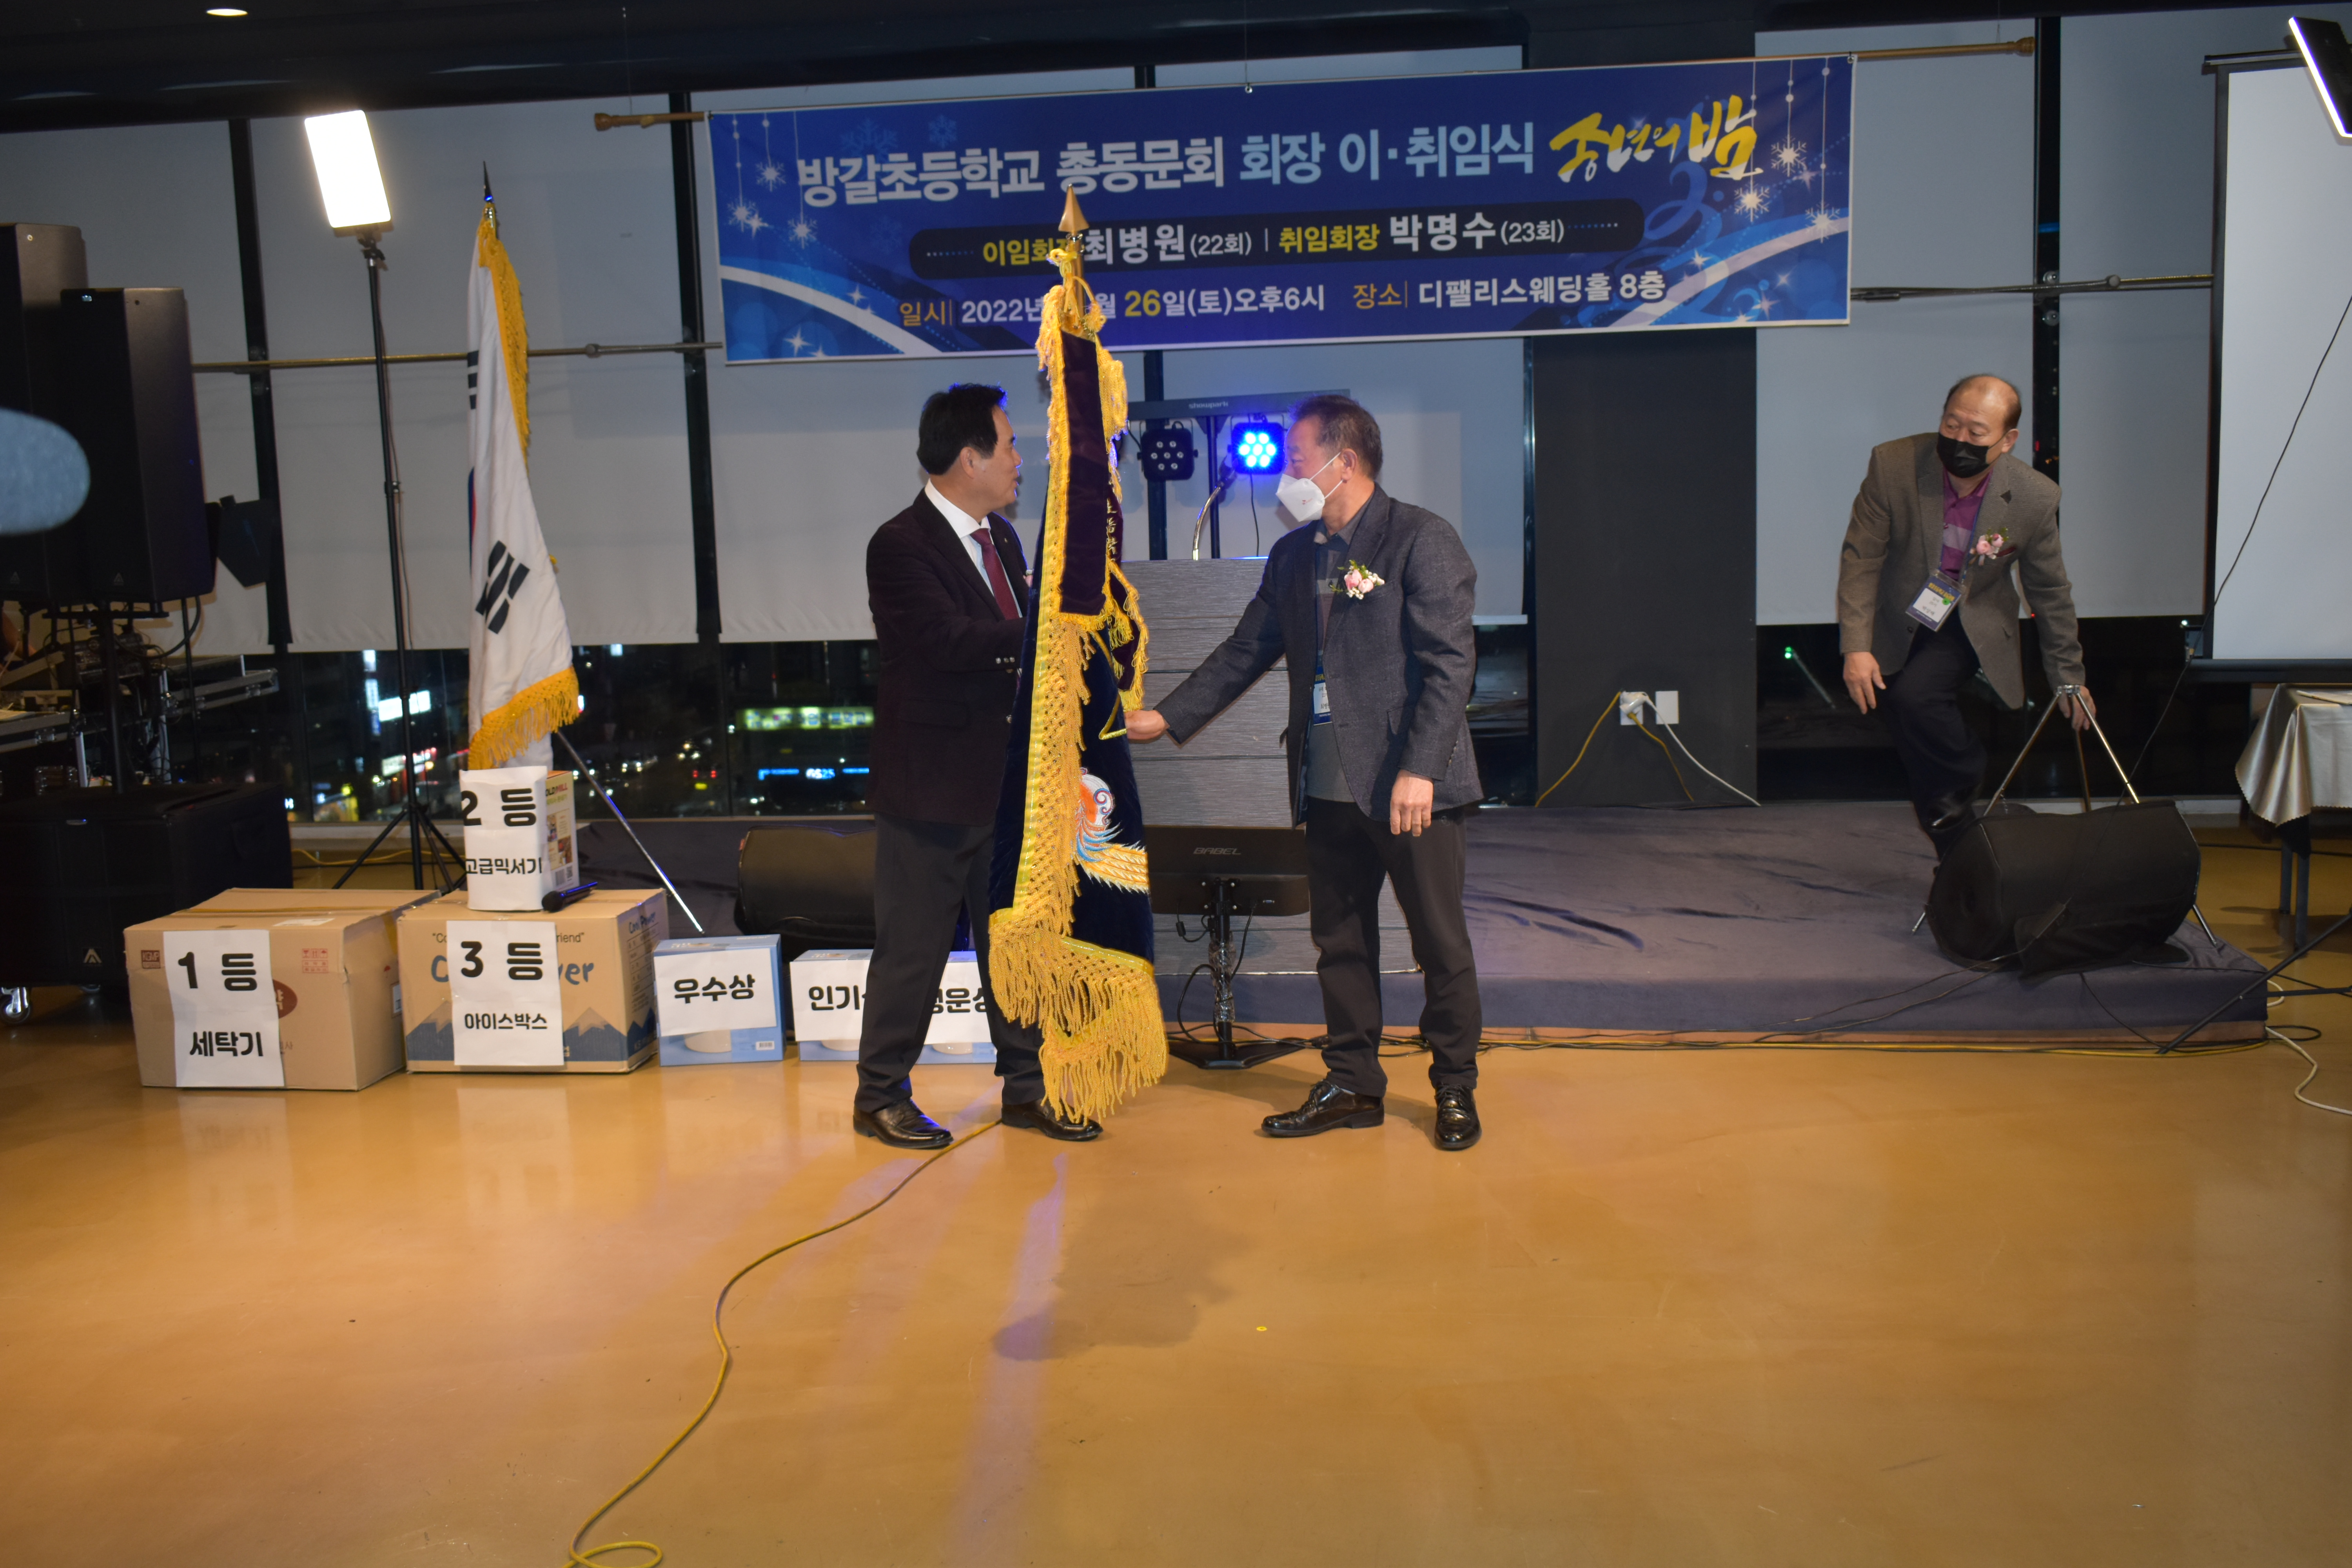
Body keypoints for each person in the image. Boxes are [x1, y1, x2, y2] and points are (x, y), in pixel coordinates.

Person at [1128, 395, 1487, 1151]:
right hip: (1325, 783)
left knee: (1439, 944)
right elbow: (1245, 651)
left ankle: (1454, 1086)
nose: (1285, 476)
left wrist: (1421, 769)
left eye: (1295, 461)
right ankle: (1353, 1083)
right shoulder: (1295, 556)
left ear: (1343, 463)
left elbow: (1450, 665)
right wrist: (1166, 716)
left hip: (1409, 788)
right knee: (1341, 942)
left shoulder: (1420, 538)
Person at [855, 384, 1101, 1149]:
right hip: (930, 791)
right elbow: (944, 641)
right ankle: (880, 1094)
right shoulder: (900, 545)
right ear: (971, 458)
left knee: (1015, 949)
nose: (1021, 459)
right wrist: (1042, 628)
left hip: (1006, 787)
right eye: (1011, 444)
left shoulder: (1004, 540)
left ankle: (1026, 1088)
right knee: (914, 950)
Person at [1837, 374, 2093, 859]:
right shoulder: (1894, 464)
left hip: (1969, 618)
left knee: (1915, 700)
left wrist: (2069, 676)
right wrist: (1856, 645)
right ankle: (1959, 859)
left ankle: (1967, 767)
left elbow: (2049, 591)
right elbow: (1862, 557)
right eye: (1952, 424)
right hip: (1901, 612)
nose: (1959, 440)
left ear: (2008, 440)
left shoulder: (2034, 497)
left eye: (1976, 433)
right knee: (1914, 736)